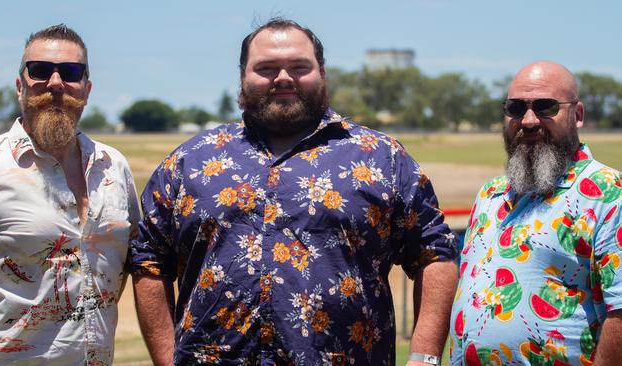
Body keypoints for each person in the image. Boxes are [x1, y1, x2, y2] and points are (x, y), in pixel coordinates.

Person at [131, 18, 458, 366]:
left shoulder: (382, 158)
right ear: (244, 74)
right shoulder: (190, 161)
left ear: (322, 73)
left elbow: (434, 254)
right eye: (267, 68)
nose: (283, 77)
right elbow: (148, 261)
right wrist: (168, 359)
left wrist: (423, 357)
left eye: (299, 67)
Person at [0, 24, 140, 365]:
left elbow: (128, 265)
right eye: (40, 70)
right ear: (20, 84)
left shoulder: (113, 166)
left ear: (87, 89)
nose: (55, 83)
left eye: (71, 72)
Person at [450, 61, 622, 365]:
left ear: (577, 115)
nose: (528, 121)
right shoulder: (490, 194)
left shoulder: (607, 193)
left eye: (545, 107)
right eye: (516, 108)